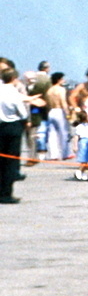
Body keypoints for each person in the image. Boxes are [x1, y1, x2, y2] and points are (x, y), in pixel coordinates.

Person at [0, 67, 28, 203]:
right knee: (11, 160)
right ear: (13, 78)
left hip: (0, 126)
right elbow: (23, 113)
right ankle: (6, 193)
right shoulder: (14, 92)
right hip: (13, 126)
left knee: (1, 160)